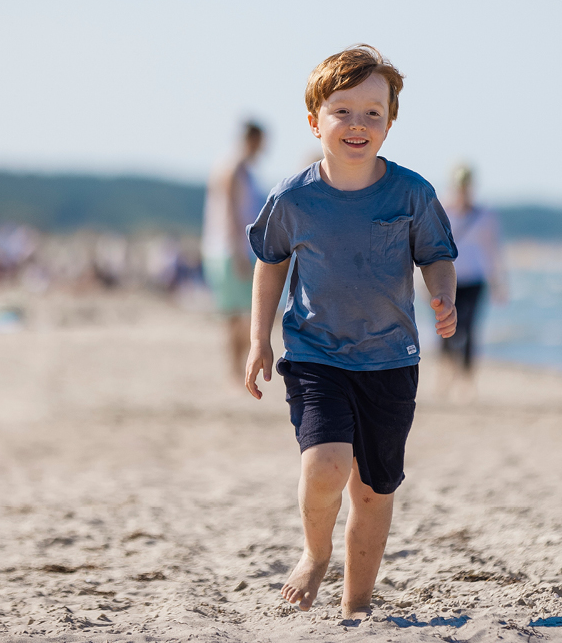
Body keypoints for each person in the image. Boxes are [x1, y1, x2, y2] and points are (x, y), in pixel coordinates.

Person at [244, 45, 458, 619]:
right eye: (343, 111)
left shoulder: (412, 193)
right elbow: (271, 262)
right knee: (326, 467)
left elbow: (437, 255)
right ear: (315, 120)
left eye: (372, 112)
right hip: (316, 353)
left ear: (390, 122)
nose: (357, 124)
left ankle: (357, 603)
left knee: (372, 490)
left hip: (390, 359)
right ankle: (315, 554)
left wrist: (443, 293)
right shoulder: (294, 198)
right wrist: (258, 337)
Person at [202, 121, 267, 384]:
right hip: (230, 249)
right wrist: (239, 251)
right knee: (237, 313)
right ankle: (234, 371)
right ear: (252, 139)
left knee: (241, 312)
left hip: (231, 248)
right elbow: (229, 213)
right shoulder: (233, 167)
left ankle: (237, 370)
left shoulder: (240, 168)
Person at [439, 165, 506, 397]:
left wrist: (498, 282)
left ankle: (466, 380)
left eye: (466, 187)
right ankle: (447, 372)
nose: (463, 191)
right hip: (444, 280)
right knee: (445, 330)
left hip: (474, 280)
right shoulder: (441, 210)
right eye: (459, 187)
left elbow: (492, 250)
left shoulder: (484, 215)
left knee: (468, 329)